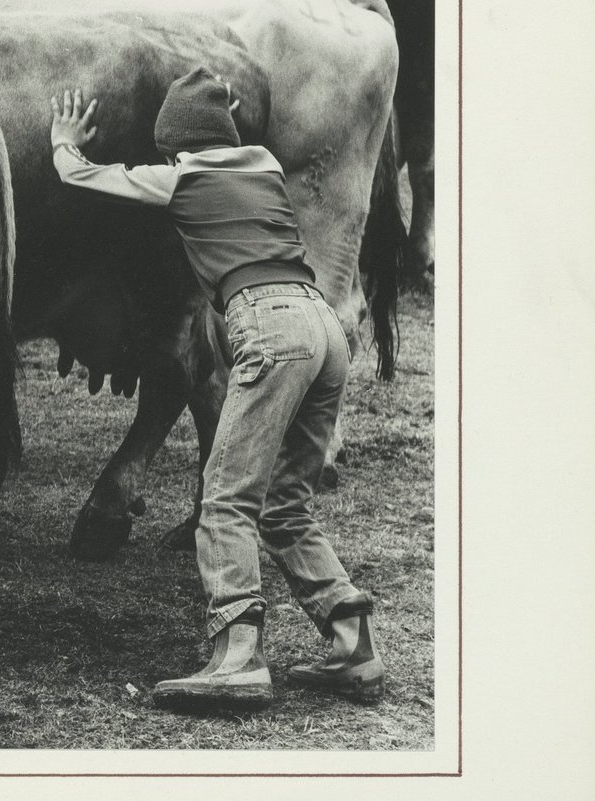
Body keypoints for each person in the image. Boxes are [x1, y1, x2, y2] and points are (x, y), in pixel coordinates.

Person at [49, 67, 384, 711]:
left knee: (227, 499)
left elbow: (81, 176)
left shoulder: (184, 178)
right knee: (285, 505)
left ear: (177, 144)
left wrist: (65, 140)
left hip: (269, 326)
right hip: (322, 327)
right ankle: (353, 643)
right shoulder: (265, 168)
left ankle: (238, 658)